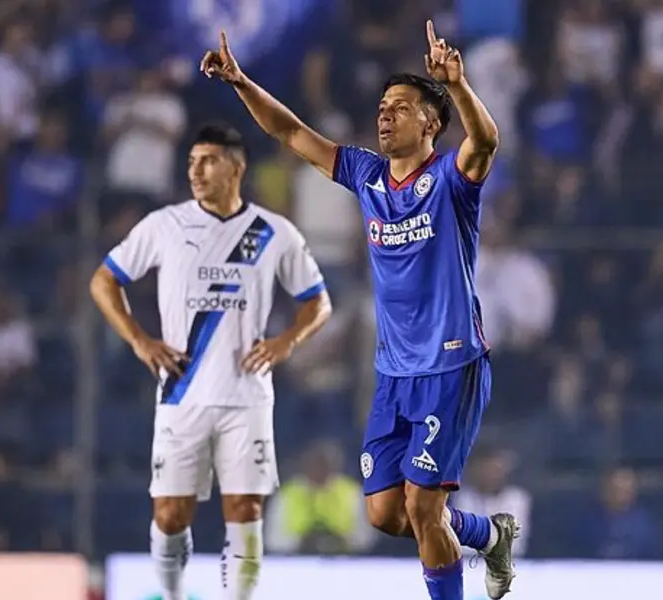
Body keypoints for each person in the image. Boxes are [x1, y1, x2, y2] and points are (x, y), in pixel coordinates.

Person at [202, 21, 517, 600]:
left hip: (450, 364)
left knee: (424, 507)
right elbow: (292, 133)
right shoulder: (367, 176)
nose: (386, 114)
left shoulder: (449, 179)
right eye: (382, 106)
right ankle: (488, 536)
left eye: (402, 106)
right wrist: (241, 82)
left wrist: (459, 85)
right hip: (394, 373)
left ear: (431, 123)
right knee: (387, 516)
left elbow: (486, 143)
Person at [89, 123, 332, 600]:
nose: (196, 171)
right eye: (191, 162)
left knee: (245, 509)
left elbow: (318, 301)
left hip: (247, 396)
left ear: (236, 167)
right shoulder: (165, 225)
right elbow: (104, 280)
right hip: (183, 392)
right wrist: (140, 340)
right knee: (170, 514)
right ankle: (174, 595)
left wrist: (286, 342)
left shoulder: (272, 232)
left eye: (208, 161)